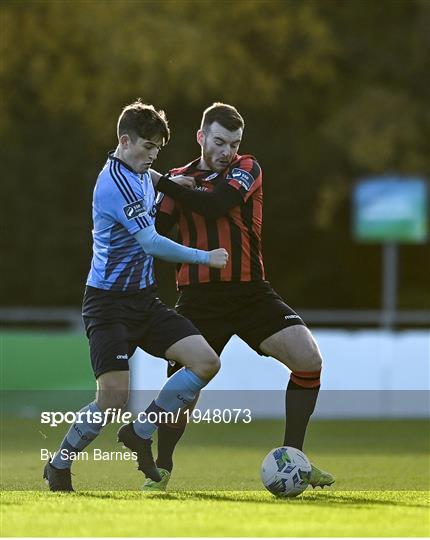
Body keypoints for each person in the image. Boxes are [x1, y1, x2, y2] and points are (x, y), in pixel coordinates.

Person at [145, 102, 335, 491]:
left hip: (250, 294)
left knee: (308, 359)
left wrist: (159, 181)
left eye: (233, 143)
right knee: (182, 390)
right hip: (197, 298)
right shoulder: (179, 178)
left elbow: (217, 205)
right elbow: (154, 231)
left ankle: (293, 459)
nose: (227, 151)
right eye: (219, 142)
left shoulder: (247, 169)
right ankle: (160, 468)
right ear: (201, 138)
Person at [43, 100, 228, 492]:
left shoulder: (139, 168)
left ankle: (141, 430)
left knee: (206, 362)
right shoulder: (113, 184)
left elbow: (150, 177)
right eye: (148, 148)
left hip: (144, 300)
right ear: (124, 142)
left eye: (158, 149)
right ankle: (59, 464)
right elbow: (151, 242)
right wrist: (205, 258)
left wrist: (171, 182)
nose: (153, 156)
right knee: (112, 399)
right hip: (107, 305)